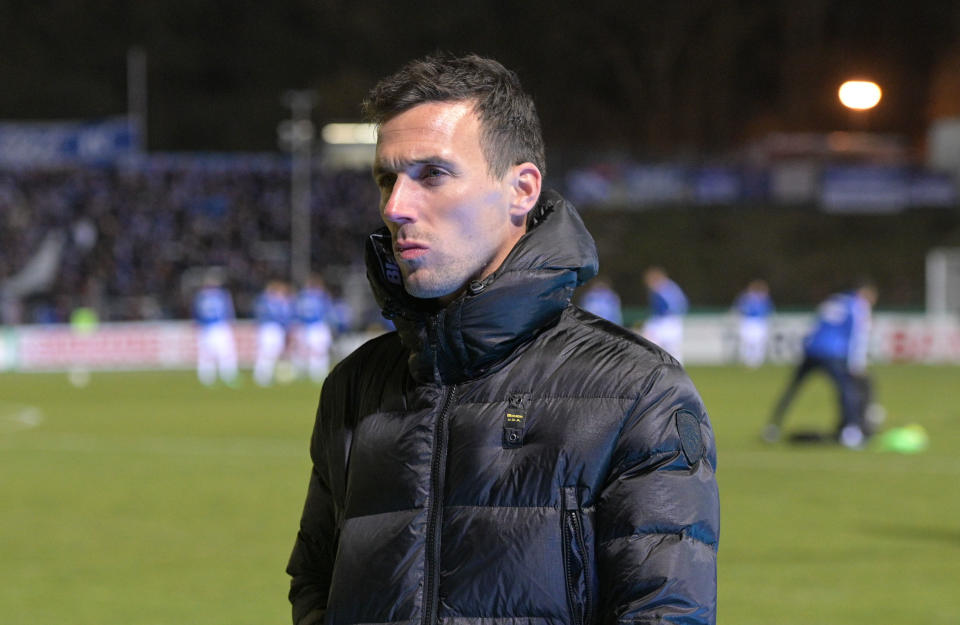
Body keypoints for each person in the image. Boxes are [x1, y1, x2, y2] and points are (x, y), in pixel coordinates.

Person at [286, 54, 719, 625]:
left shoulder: (639, 391)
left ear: (522, 190)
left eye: (432, 175)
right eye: (387, 178)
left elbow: (664, 615)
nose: (396, 208)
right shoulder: (355, 385)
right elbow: (316, 587)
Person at [763, 281, 878, 448]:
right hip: (832, 352)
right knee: (846, 390)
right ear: (865, 293)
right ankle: (851, 432)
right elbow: (857, 336)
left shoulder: (834, 300)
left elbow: (817, 324)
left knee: (793, 388)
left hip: (812, 349)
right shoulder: (857, 305)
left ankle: (773, 427)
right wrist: (856, 364)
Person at [193, 275, 239, 387]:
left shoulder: (201, 297)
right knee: (225, 353)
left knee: (207, 355)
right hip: (219, 326)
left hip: (206, 327)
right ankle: (228, 376)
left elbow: (196, 314)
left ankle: (207, 378)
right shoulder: (221, 296)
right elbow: (228, 311)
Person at [641, 266, 689, 362]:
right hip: (671, 321)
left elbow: (668, 307)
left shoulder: (663, 289)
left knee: (653, 346)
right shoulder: (671, 287)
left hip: (667, 322)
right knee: (672, 351)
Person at [253, 280, 294, 386]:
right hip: (267, 328)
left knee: (274, 353)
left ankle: (267, 375)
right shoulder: (265, 301)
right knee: (266, 353)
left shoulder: (281, 302)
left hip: (277, 329)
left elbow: (286, 318)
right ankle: (261, 376)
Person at [294, 274, 334, 383]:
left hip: (305, 326)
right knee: (319, 350)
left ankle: (302, 372)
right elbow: (327, 311)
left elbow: (297, 312)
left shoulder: (301, 296)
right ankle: (317, 372)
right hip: (317, 325)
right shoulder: (321, 296)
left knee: (304, 351)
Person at [733, 279, 774, 368]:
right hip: (748, 320)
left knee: (759, 341)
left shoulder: (764, 298)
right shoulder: (745, 297)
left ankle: (757, 360)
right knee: (747, 340)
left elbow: (768, 310)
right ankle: (747, 359)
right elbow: (739, 308)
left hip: (759, 321)